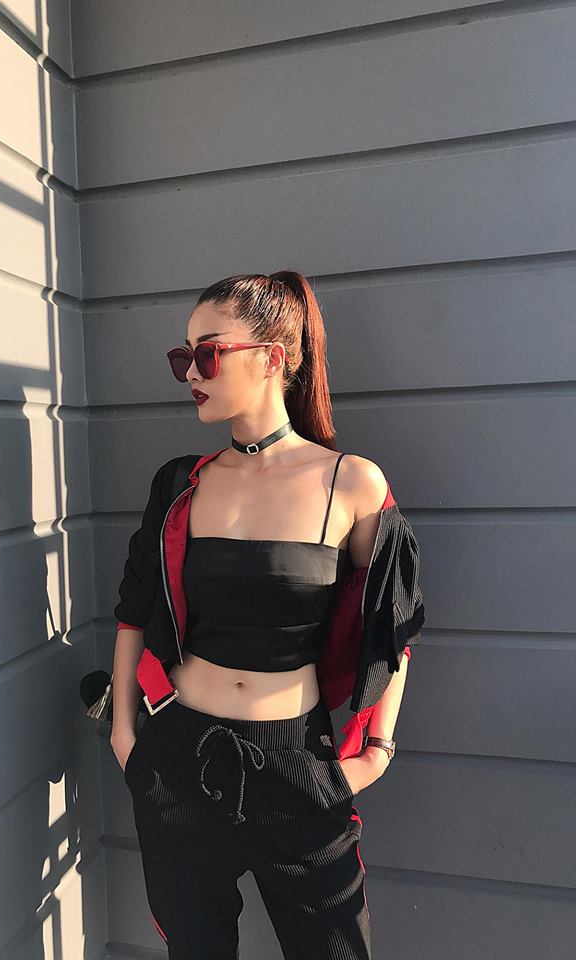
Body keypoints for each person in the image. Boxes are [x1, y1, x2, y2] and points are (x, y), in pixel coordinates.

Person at [110, 270, 425, 959]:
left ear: (274, 356)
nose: (191, 373)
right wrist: (128, 740)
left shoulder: (351, 483)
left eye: (208, 353)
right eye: (183, 357)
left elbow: (392, 624)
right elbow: (134, 609)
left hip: (299, 765)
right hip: (179, 758)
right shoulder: (180, 484)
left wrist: (373, 755)